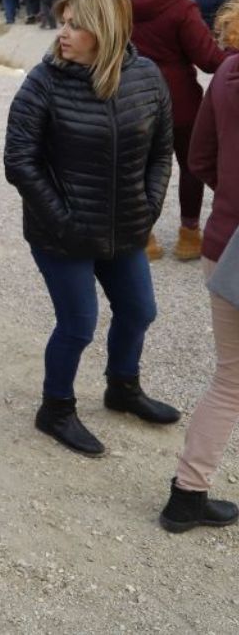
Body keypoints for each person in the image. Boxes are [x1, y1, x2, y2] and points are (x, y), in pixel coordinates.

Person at [4, 0, 176, 456]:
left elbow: (162, 150)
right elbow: (19, 161)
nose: (64, 32)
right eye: (63, 21)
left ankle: (122, 388)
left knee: (140, 310)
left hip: (125, 227)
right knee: (78, 324)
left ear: (105, 29)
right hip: (61, 234)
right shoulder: (44, 82)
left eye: (76, 24)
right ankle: (55, 407)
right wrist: (63, 219)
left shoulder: (146, 76)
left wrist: (149, 206)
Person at [157, 47, 239, 532]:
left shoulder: (229, 70)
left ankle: (188, 492)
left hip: (224, 242)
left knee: (228, 380)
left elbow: (201, 159)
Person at [126, 0, 232, 261]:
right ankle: (189, 235)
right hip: (179, 100)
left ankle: (143, 235)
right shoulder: (182, 8)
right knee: (190, 166)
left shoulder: (123, 0)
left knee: (140, 167)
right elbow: (209, 60)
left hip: (133, 97)